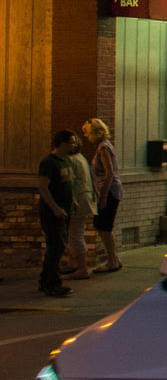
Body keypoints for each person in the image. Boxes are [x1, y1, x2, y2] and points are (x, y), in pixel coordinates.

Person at [36, 130, 80, 297]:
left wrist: (73, 201)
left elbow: (68, 184)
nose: (74, 145)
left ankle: (45, 279)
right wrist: (54, 207)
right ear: (62, 144)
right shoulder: (49, 162)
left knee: (58, 246)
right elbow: (43, 187)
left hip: (65, 210)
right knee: (56, 247)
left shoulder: (66, 161)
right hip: (53, 212)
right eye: (72, 142)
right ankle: (52, 283)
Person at [83, 118, 125, 272]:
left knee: (104, 227)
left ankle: (112, 261)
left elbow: (109, 174)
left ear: (95, 133)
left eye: (87, 133)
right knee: (104, 227)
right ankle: (114, 258)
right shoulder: (105, 146)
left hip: (109, 191)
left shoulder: (103, 148)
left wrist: (103, 197)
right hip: (111, 190)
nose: (86, 137)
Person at [63, 135, 95, 280]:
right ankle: (74, 263)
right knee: (76, 233)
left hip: (77, 202)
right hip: (85, 199)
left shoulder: (70, 160)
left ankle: (82, 268)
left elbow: (69, 183)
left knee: (74, 235)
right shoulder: (81, 158)